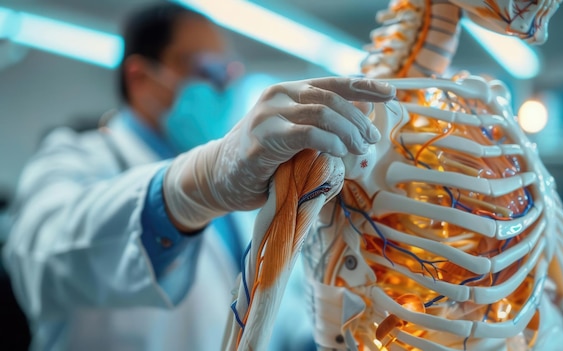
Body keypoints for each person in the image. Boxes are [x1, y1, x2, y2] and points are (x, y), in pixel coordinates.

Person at [2, 3, 395, 351]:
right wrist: (196, 187)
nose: (226, 87)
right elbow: (42, 254)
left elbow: (263, 312)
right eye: (210, 71)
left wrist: (340, 325)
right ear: (141, 77)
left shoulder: (237, 185)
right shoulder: (77, 156)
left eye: (232, 73)